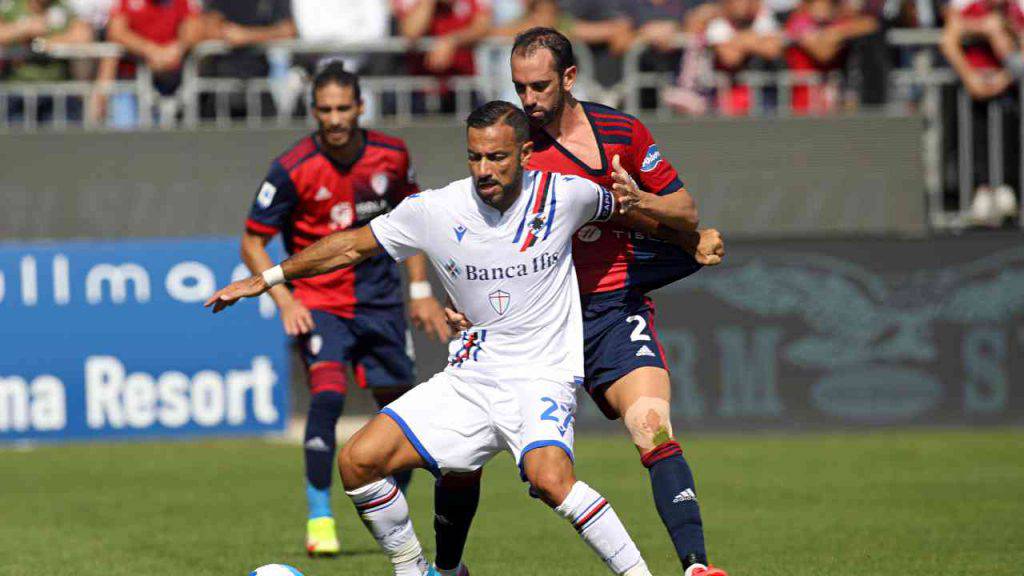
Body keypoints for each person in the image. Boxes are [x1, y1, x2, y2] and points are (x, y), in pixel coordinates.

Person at [206, 100, 684, 576]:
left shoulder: (570, 195)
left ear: (525, 154)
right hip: (470, 377)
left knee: (551, 478)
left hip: (540, 376)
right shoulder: (435, 209)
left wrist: (693, 238)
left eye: (496, 157)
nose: (483, 169)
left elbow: (631, 213)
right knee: (357, 461)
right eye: (474, 156)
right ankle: (415, 569)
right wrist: (267, 279)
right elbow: (350, 244)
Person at [436, 27, 728, 576]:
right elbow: (471, 232)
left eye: (539, 87)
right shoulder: (514, 150)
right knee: (459, 459)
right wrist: (464, 303)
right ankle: (446, 570)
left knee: (652, 425)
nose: (528, 101)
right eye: (519, 87)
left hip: (611, 310)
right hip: (530, 324)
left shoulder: (621, 130)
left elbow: (684, 209)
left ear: (569, 78)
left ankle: (695, 567)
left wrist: (648, 204)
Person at [238, 61, 448, 557]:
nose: (333, 119)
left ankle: (389, 506)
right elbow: (252, 241)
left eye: (342, 108)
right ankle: (319, 517)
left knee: (404, 415)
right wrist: (285, 300)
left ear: (360, 107)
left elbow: (412, 223)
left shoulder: (392, 156)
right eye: (324, 109)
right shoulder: (292, 168)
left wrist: (419, 288)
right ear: (314, 111)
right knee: (328, 397)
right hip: (320, 303)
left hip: (381, 305)